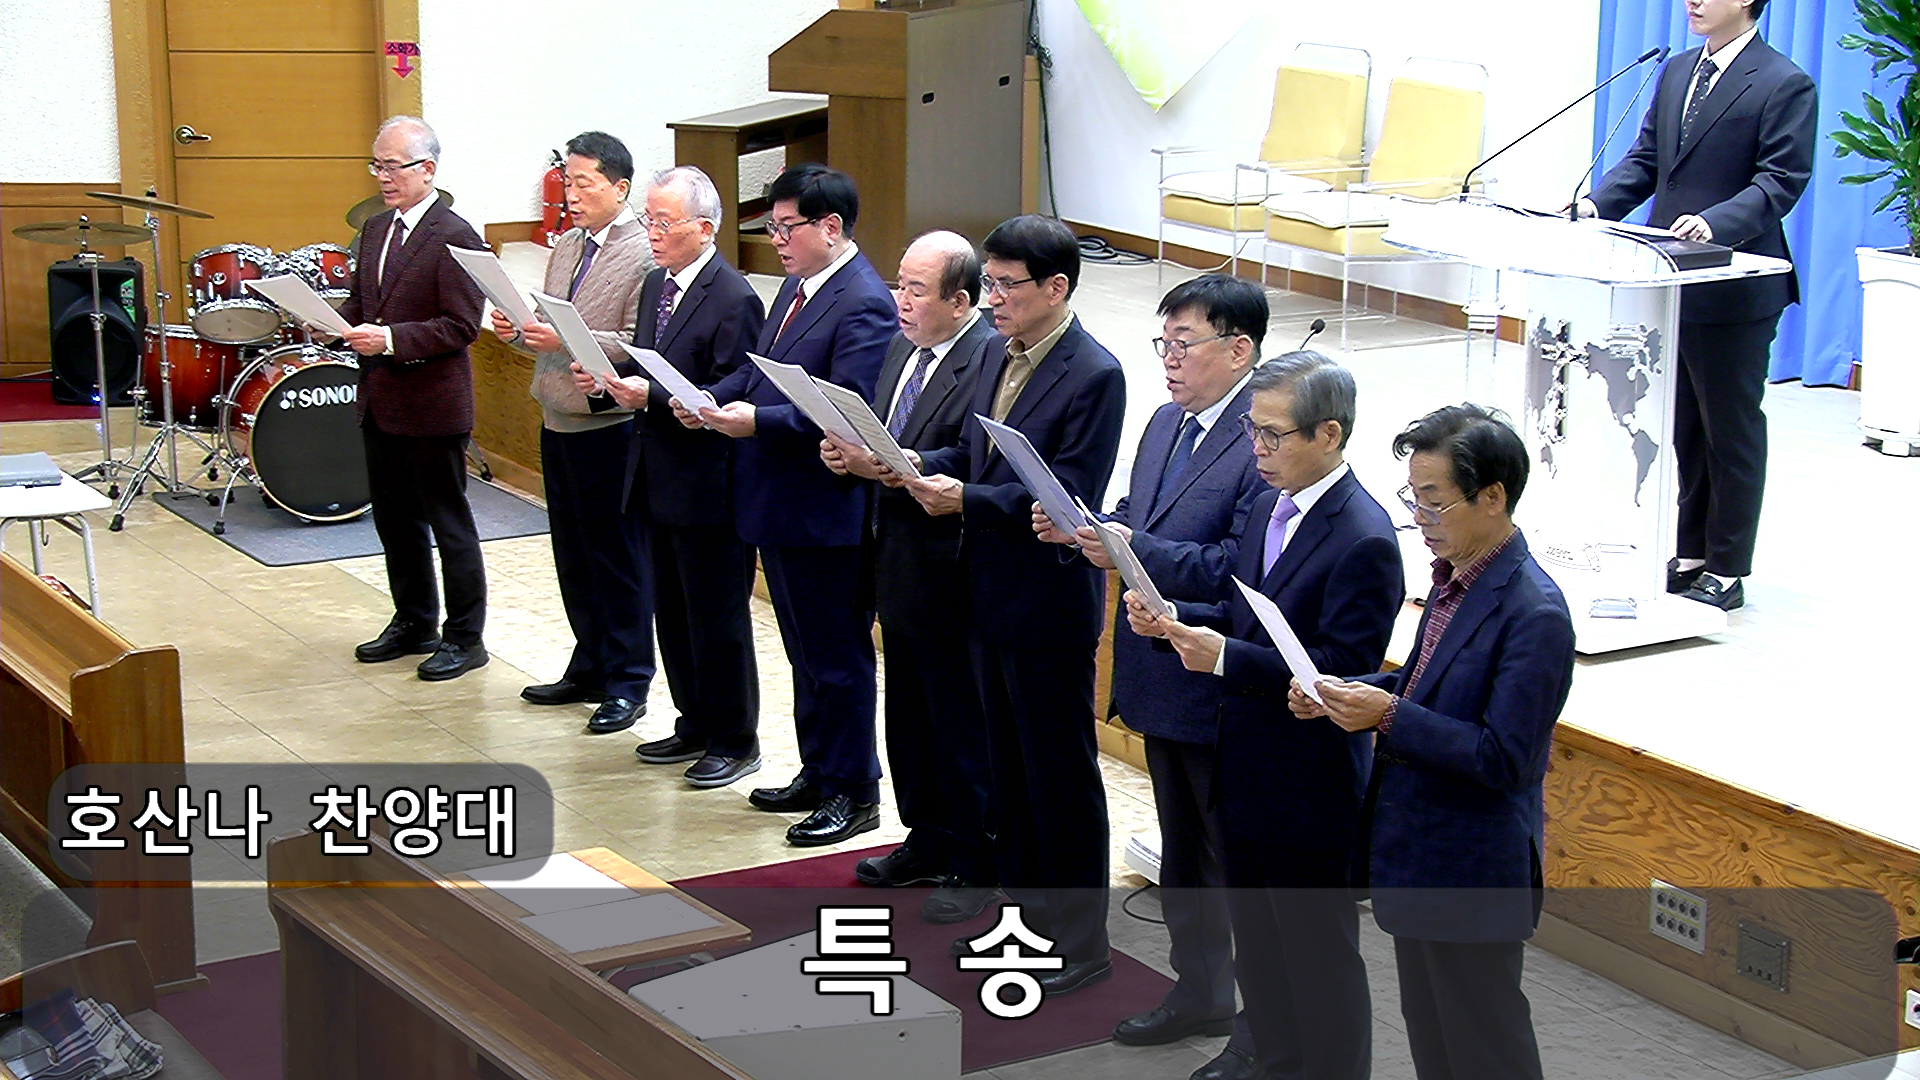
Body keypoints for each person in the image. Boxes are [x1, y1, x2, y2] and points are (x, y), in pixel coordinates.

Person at [1125, 352, 1402, 1080]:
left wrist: (1223, 657)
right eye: (1253, 430)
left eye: (1274, 434)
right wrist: (1176, 617)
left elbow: (1337, 671)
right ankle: (1271, 1059)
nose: (1257, 448)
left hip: (1308, 778)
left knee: (1316, 954)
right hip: (1242, 758)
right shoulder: (1272, 508)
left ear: (1329, 434)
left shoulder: (1364, 535)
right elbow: (1243, 611)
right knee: (1260, 945)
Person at [1289, 404, 1575, 1080]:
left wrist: (1386, 714)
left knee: (1485, 1049)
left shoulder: (1534, 613)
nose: (1419, 516)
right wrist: (1346, 692)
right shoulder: (1454, 581)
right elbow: (1424, 687)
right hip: (1417, 854)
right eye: (1412, 497)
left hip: (1471, 869)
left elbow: (1503, 757)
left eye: (1434, 500)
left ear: (1492, 497)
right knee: (1435, 1044)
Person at [1034, 274, 1264, 1073]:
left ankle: (1257, 1022)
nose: (1168, 359)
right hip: (1154, 662)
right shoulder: (1166, 420)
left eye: (1184, 344)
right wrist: (1094, 531)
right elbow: (1137, 511)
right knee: (1185, 855)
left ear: (1238, 350)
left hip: (1214, 675)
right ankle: (1198, 991)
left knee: (1228, 861)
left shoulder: (1264, 437)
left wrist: (1134, 548)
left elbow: (1237, 565)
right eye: (1162, 342)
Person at [898, 214, 1126, 996]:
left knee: (1058, 779)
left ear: (1055, 287)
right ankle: (1024, 921)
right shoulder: (997, 352)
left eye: (1005, 285)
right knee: (1009, 774)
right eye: (988, 283)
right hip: (983, 591)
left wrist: (966, 498)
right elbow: (973, 454)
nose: (991, 298)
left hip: (1046, 604)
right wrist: (915, 463)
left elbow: (1069, 494)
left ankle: (1081, 942)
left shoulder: (1094, 373)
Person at [675, 164, 895, 844]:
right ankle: (819, 770)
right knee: (802, 651)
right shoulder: (800, 288)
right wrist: (708, 399)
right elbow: (760, 369)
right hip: (778, 500)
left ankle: (854, 789)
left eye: (785, 228)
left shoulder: (864, 301)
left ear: (830, 227)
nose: (775, 241)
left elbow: (846, 409)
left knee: (836, 656)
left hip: (824, 508)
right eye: (769, 227)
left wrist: (757, 423)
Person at [1580, 0, 1817, 611]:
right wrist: (1593, 207)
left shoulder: (1784, 82)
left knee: (1729, 430)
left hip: (1735, 285)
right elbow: (1647, 161)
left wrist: (1715, 224)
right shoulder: (1680, 69)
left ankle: (1728, 568)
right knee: (1684, 425)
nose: (1693, 0)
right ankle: (1690, 552)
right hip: (1670, 280)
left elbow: (1779, 181)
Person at [820, 231, 999, 922]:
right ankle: (926, 836)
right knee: (910, 713)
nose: (900, 300)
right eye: (899, 284)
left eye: (916, 290)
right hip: (892, 551)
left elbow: (971, 455)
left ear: (960, 301)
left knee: (958, 719)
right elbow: (882, 431)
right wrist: (850, 456)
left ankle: (973, 856)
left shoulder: (986, 357)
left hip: (949, 563)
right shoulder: (902, 347)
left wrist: (902, 464)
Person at [579, 166, 766, 787]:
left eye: (665, 222)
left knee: (716, 618)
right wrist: (609, 388)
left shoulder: (734, 296)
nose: (653, 233)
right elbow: (649, 368)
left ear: (704, 228)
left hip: (707, 481)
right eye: (650, 220)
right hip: (654, 473)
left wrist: (651, 397)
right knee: (673, 610)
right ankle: (695, 722)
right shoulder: (657, 282)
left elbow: (731, 389)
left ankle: (734, 738)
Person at [491, 131, 653, 734]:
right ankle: (590, 663)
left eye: (585, 183)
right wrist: (517, 329)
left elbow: (637, 343)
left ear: (620, 187)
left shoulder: (643, 253)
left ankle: (629, 678)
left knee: (616, 556)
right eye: (568, 182)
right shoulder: (566, 245)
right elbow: (546, 328)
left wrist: (564, 337)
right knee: (574, 553)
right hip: (556, 415)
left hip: (608, 424)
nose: (572, 195)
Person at [339, 115, 490, 681]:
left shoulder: (455, 234)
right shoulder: (376, 229)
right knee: (395, 521)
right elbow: (363, 304)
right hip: (381, 398)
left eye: (393, 167)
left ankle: (465, 637)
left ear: (427, 169)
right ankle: (414, 620)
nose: (383, 177)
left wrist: (391, 340)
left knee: (448, 524)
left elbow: (461, 326)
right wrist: (327, 320)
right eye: (376, 166)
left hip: (432, 403)